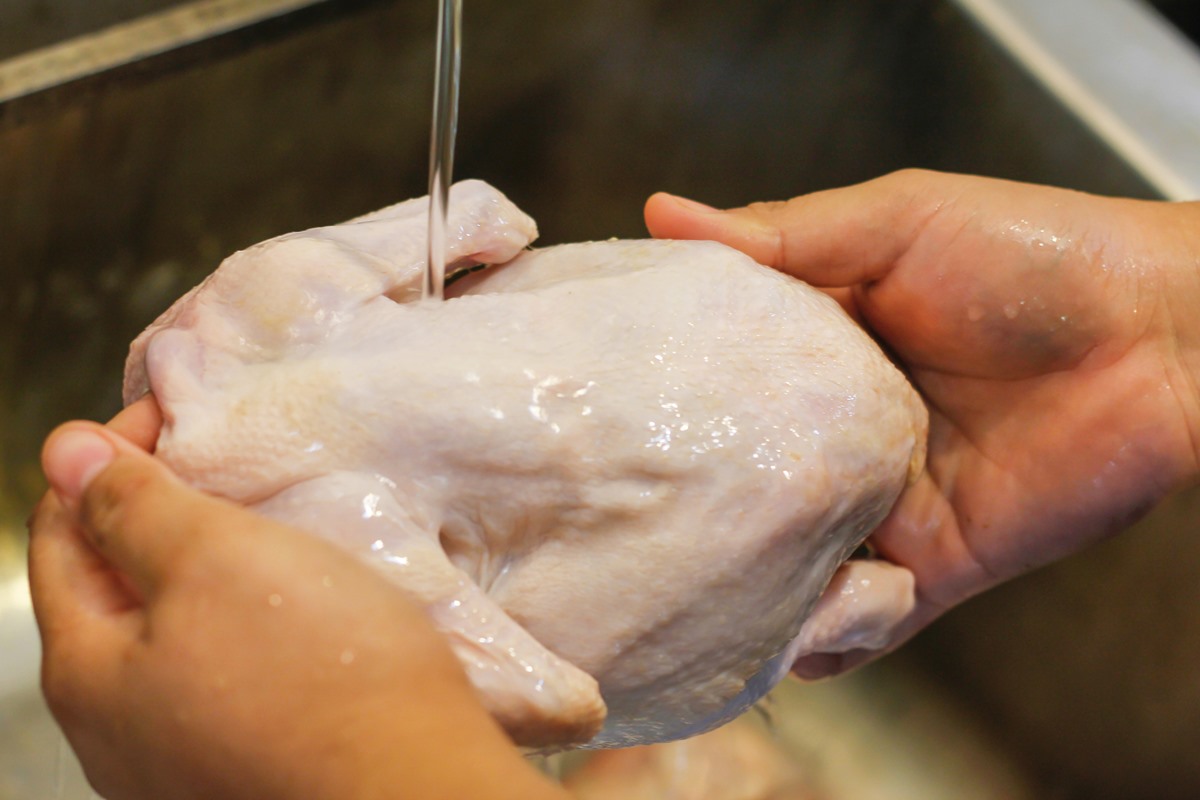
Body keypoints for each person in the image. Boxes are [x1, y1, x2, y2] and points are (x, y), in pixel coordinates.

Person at [28, 169, 1200, 799]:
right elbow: (489, 211)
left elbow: (557, 704)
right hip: (769, 347)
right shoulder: (261, 323)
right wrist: (1158, 323)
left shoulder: (240, 336)